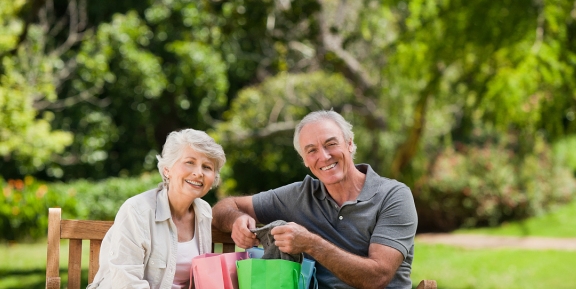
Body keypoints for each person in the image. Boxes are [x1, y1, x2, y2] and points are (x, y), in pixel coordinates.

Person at [212, 110, 418, 289]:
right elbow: (225, 207)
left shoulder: (394, 196)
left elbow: (377, 277)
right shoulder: (300, 195)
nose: (324, 156)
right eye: (312, 150)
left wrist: (311, 244)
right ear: (304, 159)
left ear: (349, 143)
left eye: (331, 144)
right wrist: (236, 220)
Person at [87, 128, 226, 289]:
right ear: (167, 169)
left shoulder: (204, 212)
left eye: (207, 167)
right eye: (190, 162)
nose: (198, 173)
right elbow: (126, 281)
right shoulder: (136, 211)